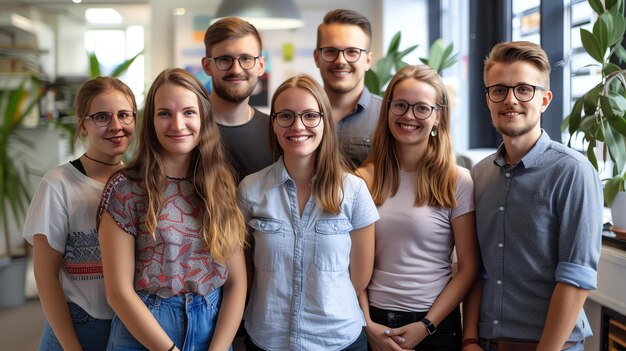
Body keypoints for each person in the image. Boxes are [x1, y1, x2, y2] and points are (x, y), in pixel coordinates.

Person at [463, 41, 603, 351]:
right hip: (486, 344)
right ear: (488, 99)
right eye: (499, 89)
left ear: (545, 99)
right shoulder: (480, 174)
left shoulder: (573, 172)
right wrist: (470, 339)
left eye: (524, 89)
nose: (510, 99)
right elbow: (476, 268)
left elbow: (576, 277)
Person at [97, 68, 247, 351]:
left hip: (212, 328)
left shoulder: (221, 184)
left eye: (189, 112)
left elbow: (237, 283)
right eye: (164, 113)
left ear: (204, 117)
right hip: (145, 332)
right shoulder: (126, 188)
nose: (178, 124)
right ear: (151, 121)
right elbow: (118, 292)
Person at [238, 74, 378, 350]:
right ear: (274, 125)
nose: (298, 125)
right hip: (268, 338)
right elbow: (244, 273)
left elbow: (360, 277)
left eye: (310, 115)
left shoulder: (353, 191)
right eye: (286, 116)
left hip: (337, 339)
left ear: (325, 121)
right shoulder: (250, 189)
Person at [356, 65, 479, 351]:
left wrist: (427, 326)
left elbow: (469, 266)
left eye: (422, 108)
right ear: (387, 110)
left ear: (438, 117)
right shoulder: (361, 180)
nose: (408, 116)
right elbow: (350, 267)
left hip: (436, 327)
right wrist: (367, 325)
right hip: (372, 321)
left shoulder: (457, 180)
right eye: (400, 105)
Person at [23, 76, 137, 351]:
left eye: (124, 115)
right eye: (101, 117)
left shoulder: (141, 181)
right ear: (82, 124)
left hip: (131, 326)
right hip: (77, 326)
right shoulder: (58, 184)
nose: (116, 126)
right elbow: (45, 276)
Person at [202, 17, 273, 181]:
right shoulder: (186, 129)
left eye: (246, 59)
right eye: (225, 59)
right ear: (207, 66)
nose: (236, 70)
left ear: (261, 66)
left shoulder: (276, 132)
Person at [314, 9, 383, 168]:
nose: (340, 61)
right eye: (331, 51)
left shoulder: (388, 116)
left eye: (352, 52)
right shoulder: (298, 116)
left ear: (367, 60)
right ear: (317, 58)